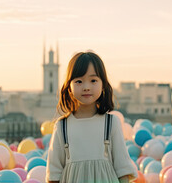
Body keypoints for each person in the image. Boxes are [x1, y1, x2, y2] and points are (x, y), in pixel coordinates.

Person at [46, 51, 137, 183]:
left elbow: (123, 169)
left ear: (103, 84)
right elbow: (53, 174)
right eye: (79, 81)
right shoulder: (62, 126)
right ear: (69, 87)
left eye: (93, 80)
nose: (86, 87)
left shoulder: (111, 123)